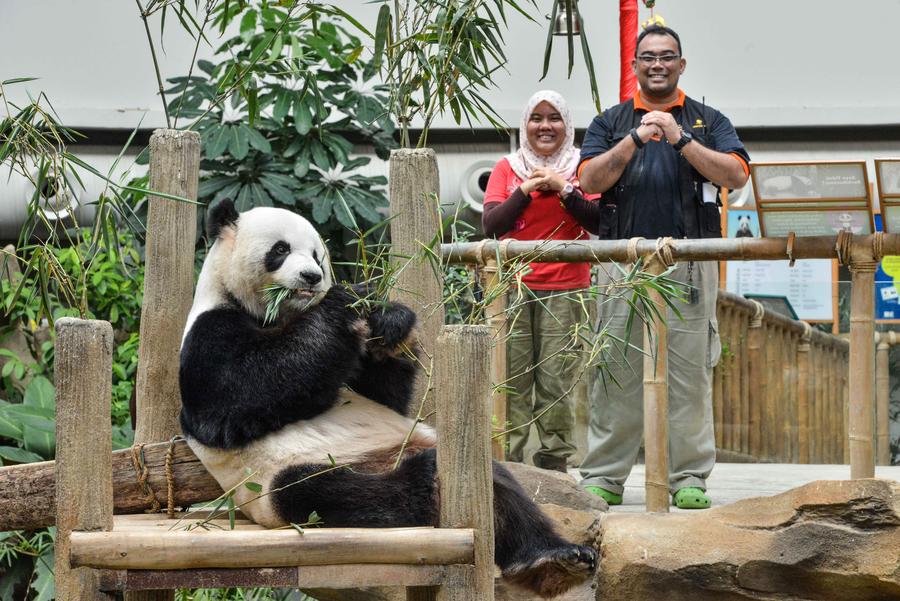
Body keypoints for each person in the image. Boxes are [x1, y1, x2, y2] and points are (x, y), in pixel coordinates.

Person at [576, 25, 751, 508]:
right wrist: (634, 137)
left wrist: (679, 140)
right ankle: (606, 477)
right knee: (615, 368)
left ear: (681, 64)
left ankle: (689, 477)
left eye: (667, 56)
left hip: (692, 261)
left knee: (690, 372)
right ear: (634, 66)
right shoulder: (610, 121)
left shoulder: (707, 119)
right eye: (648, 57)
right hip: (621, 262)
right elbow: (589, 180)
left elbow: (736, 175)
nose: (658, 64)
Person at [481, 90, 597, 473]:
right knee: (511, 376)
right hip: (512, 288)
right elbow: (493, 225)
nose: (545, 126)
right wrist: (527, 190)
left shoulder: (583, 166)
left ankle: (554, 464)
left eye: (554, 118)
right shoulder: (508, 167)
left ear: (567, 123)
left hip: (568, 286)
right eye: (537, 118)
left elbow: (598, 220)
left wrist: (563, 188)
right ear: (524, 124)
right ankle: (508, 464)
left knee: (556, 377)